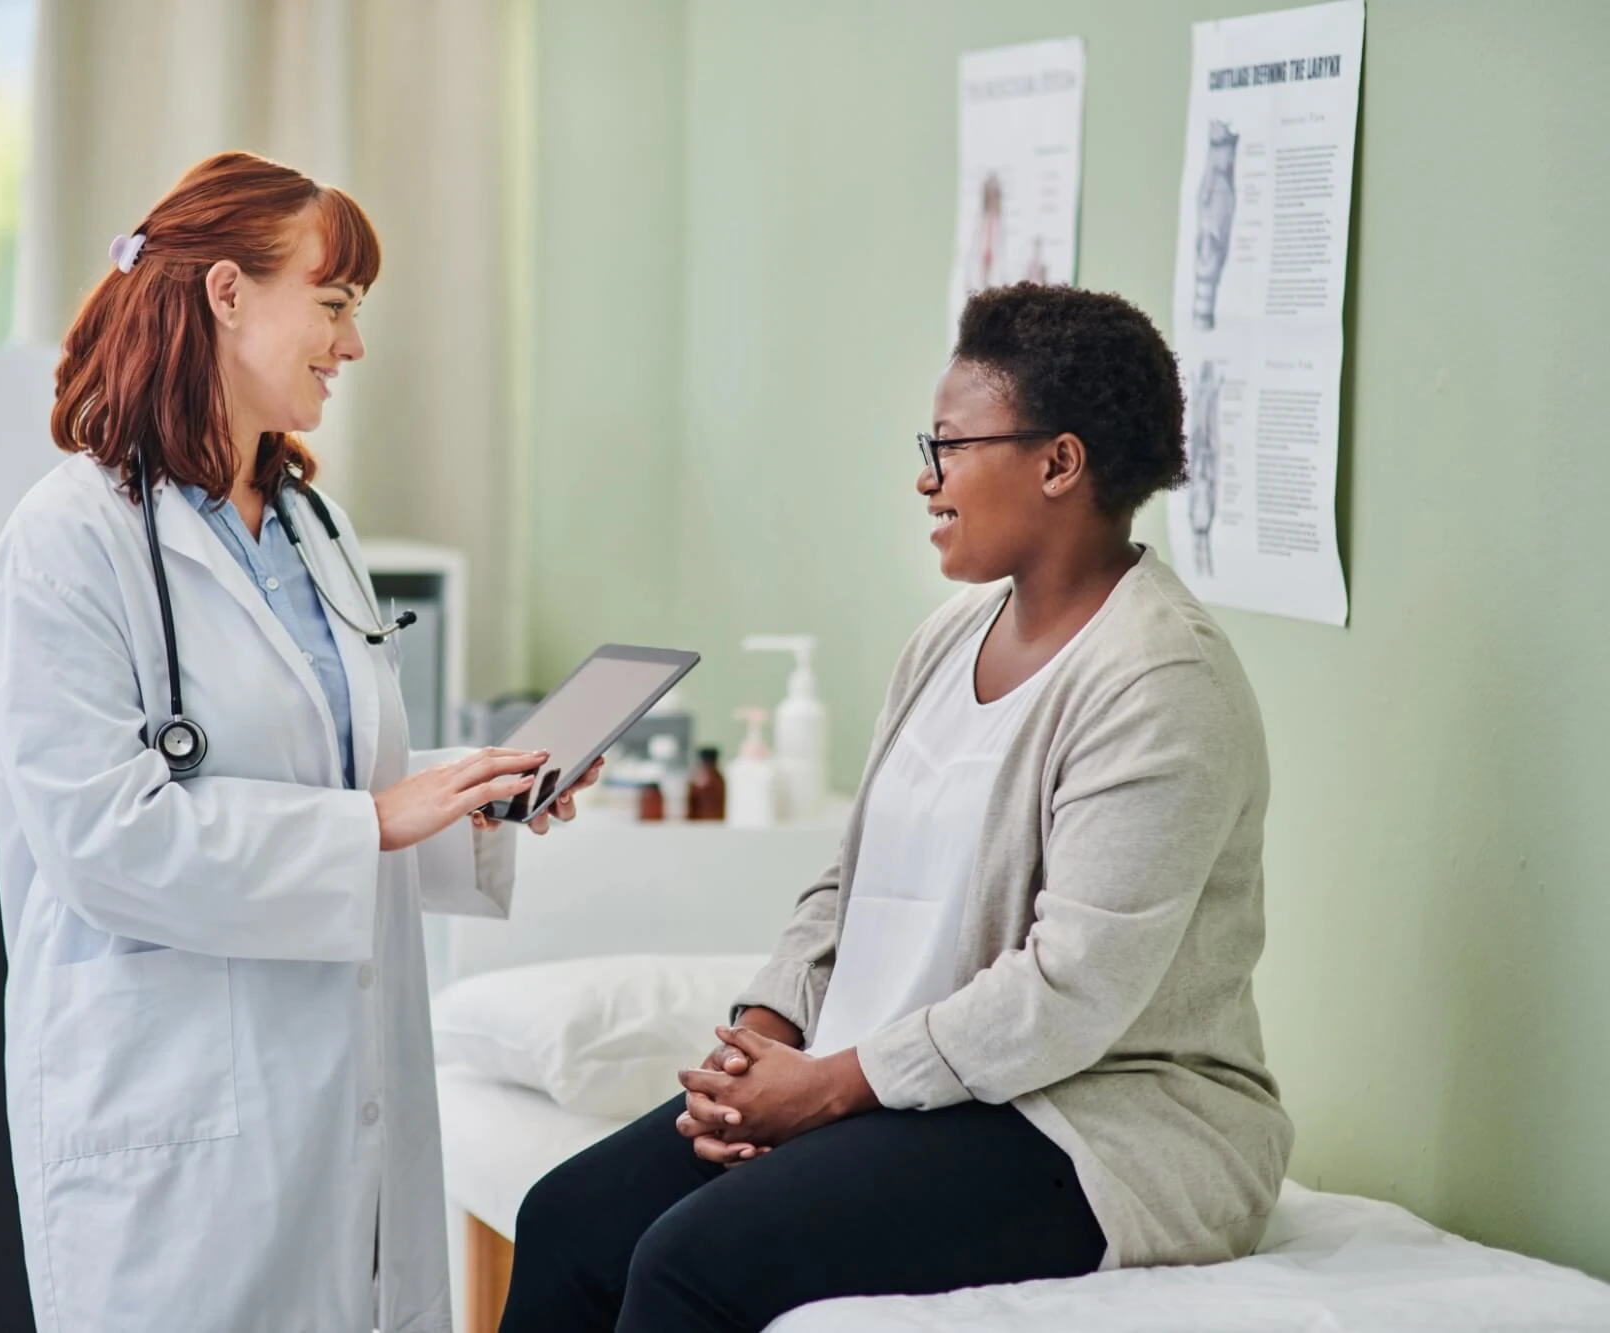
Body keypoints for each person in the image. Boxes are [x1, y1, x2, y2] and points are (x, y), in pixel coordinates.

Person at [500, 284, 1292, 1332]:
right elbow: (848, 877)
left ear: (1058, 462)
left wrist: (825, 1086)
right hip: (907, 1081)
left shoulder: (1157, 681)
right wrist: (760, 1040)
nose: (924, 477)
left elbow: (1069, 990)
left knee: (692, 1262)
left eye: (950, 446)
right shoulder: (947, 638)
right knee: (567, 1218)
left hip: (1088, 1119)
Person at [0, 151, 595, 1333]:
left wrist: (472, 797)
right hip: (173, 1120)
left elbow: (341, 788)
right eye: (333, 301)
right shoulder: (70, 541)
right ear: (224, 294)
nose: (353, 344)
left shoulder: (313, 527)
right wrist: (376, 820)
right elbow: (102, 840)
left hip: (340, 1096)